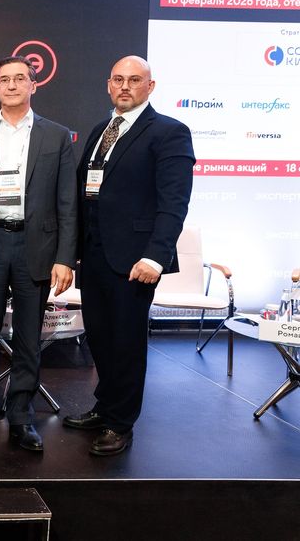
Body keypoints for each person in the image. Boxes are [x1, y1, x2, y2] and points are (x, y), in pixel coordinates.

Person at [65, 55, 194, 456]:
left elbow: (174, 202)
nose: (125, 86)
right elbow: (86, 193)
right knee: (100, 338)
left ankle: (121, 423)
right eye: (118, 79)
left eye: (134, 80)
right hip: (95, 255)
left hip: (136, 260)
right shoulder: (101, 129)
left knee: (126, 342)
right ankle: (105, 406)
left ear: (150, 87)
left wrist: (156, 256)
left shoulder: (169, 132)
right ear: (108, 84)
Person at [0, 55, 77, 452]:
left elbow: (67, 202)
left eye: (19, 78)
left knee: (27, 339)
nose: (11, 85)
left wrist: (65, 257)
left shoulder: (56, 136)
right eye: (4, 79)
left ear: (33, 85)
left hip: (35, 247)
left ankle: (21, 416)